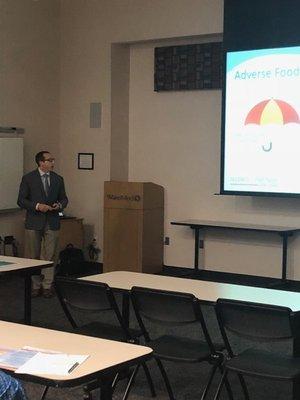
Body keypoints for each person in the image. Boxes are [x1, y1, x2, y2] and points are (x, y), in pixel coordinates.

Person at [17, 151, 68, 298]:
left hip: (52, 220)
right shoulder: (28, 178)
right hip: (34, 220)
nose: (53, 162)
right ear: (41, 162)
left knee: (50, 254)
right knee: (32, 254)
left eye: (53, 159)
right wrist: (38, 206)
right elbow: (21, 200)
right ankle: (35, 284)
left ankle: (47, 285)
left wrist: (59, 205)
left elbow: (64, 198)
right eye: (49, 160)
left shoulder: (58, 179)